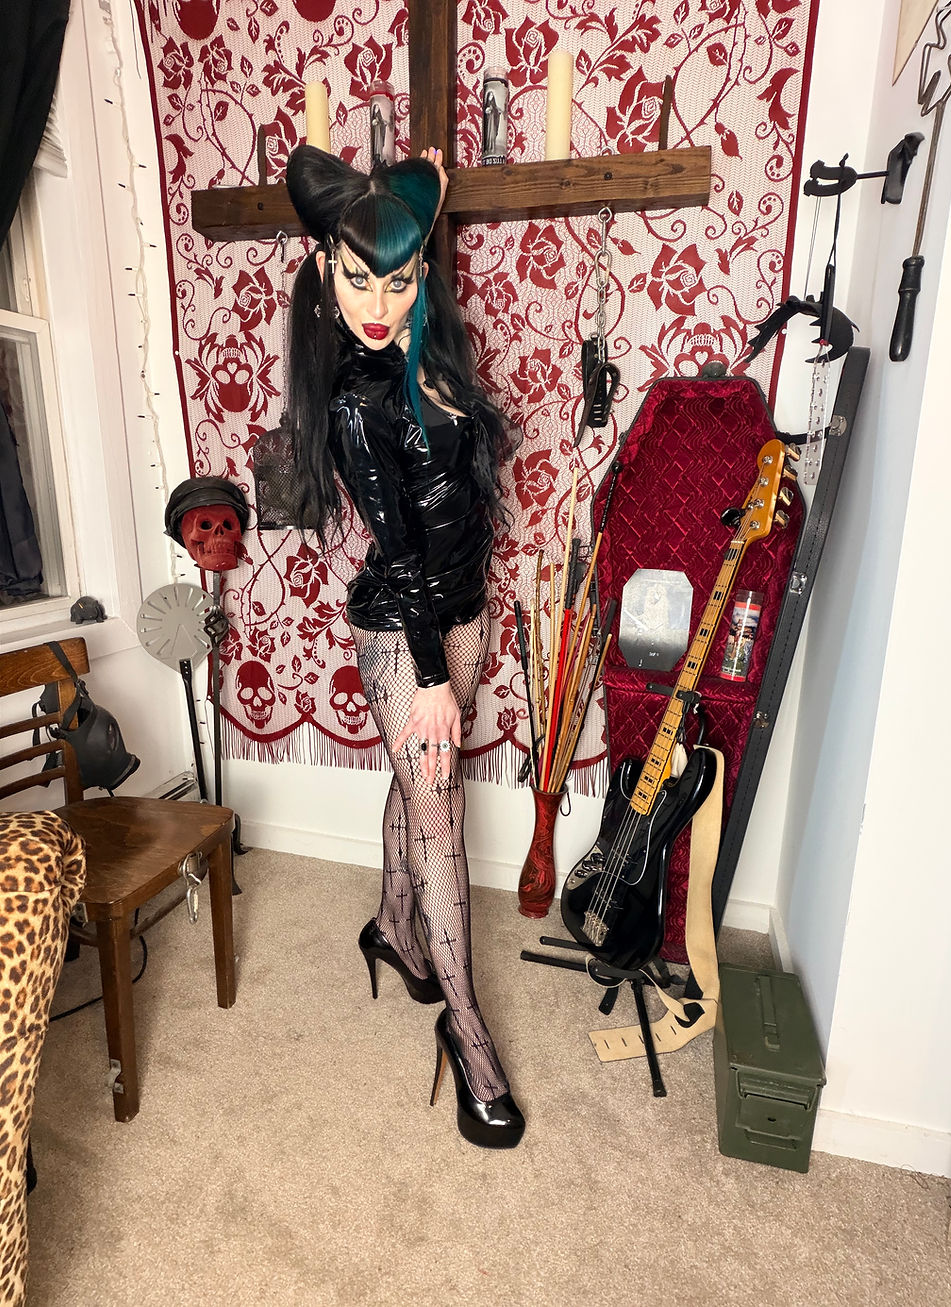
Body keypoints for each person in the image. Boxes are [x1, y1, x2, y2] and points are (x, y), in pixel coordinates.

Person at [283, 143, 524, 1148]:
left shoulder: (429, 355)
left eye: (398, 277)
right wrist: (429, 677)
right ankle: (466, 1032)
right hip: (404, 632)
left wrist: (415, 198)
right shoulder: (353, 398)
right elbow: (400, 550)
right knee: (440, 813)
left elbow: (462, 510)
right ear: (323, 271)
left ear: (422, 272)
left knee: (413, 783)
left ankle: (392, 927)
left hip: (462, 614)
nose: (377, 303)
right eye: (356, 277)